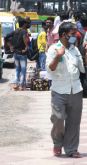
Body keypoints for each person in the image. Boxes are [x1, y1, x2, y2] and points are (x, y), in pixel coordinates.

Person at [46, 22, 85, 158]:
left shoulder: (75, 50)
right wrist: (58, 56)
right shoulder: (53, 49)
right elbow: (50, 68)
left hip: (76, 90)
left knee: (74, 121)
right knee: (58, 119)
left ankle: (71, 149)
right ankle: (57, 143)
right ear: (63, 35)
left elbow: (82, 68)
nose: (76, 35)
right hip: (59, 90)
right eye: (73, 33)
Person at [9, 17, 31, 90]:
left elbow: (6, 37)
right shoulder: (24, 31)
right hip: (22, 53)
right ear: (24, 24)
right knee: (23, 70)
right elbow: (25, 38)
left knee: (17, 69)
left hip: (15, 53)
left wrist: (11, 46)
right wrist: (26, 47)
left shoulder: (15, 31)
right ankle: (21, 86)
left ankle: (16, 84)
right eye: (26, 23)